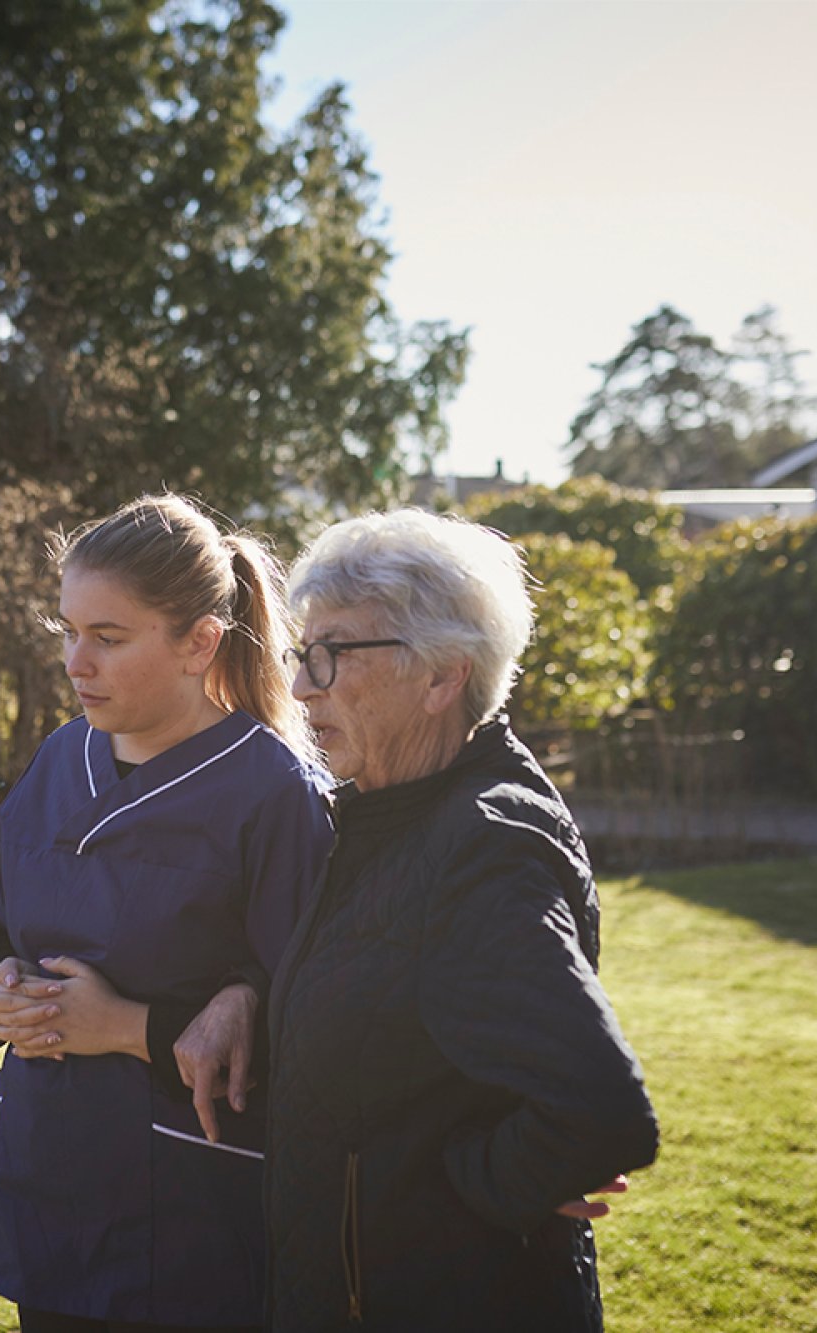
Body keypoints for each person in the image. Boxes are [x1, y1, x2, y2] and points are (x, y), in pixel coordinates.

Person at [261, 508, 659, 1330]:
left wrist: (472, 1190)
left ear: (444, 674)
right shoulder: (380, 814)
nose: (302, 686)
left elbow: (596, 1108)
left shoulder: (484, 843)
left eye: (333, 654)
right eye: (304, 654)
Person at [0, 493, 333, 1333]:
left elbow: (317, 1026)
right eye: (67, 630)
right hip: (50, 1197)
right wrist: (4, 991)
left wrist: (126, 1025)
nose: (74, 661)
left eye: (109, 637)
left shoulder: (272, 792)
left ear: (199, 641)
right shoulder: (58, 759)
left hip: (192, 1228)